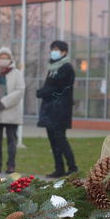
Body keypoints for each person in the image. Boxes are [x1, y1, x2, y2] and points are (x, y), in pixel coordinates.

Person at [36, 39, 77, 177]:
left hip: (60, 111)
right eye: (52, 49)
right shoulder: (52, 68)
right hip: (50, 111)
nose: (54, 52)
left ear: (64, 52)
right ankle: (59, 169)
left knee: (61, 140)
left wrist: (44, 92)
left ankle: (72, 168)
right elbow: (51, 86)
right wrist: (44, 91)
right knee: (53, 141)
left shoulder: (66, 68)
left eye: (57, 49)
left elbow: (62, 89)